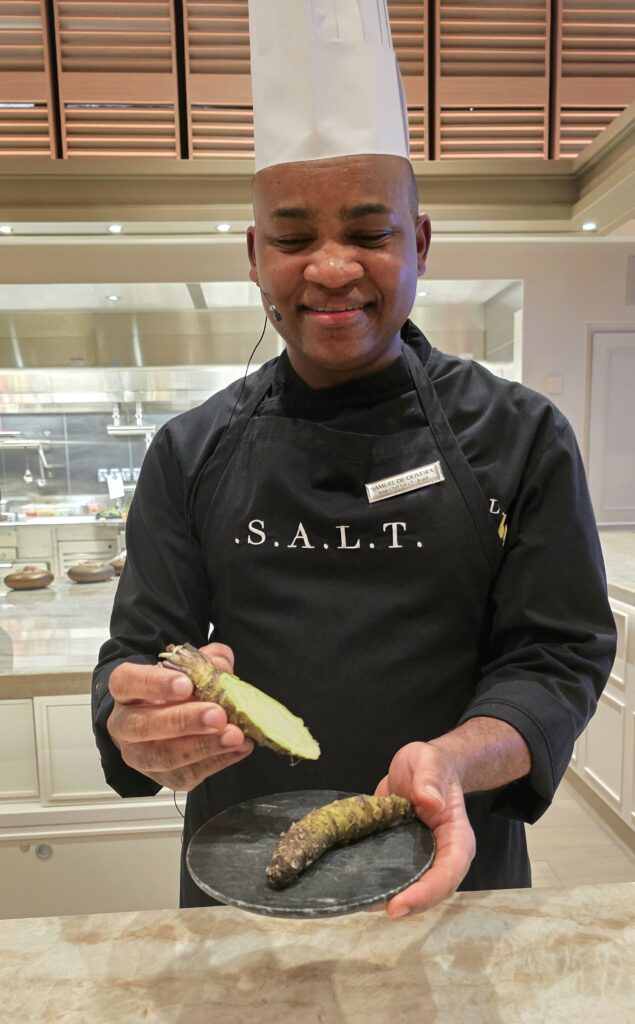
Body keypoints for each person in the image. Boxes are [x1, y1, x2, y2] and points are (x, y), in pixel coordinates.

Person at [92, 1, 616, 918]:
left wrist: (456, 760)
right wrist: (137, 720)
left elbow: (557, 657)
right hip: (241, 884)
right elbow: (137, 654)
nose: (330, 268)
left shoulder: (521, 437)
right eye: (293, 239)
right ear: (257, 258)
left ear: (416, 243)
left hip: (453, 877)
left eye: (368, 232)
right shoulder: (188, 451)